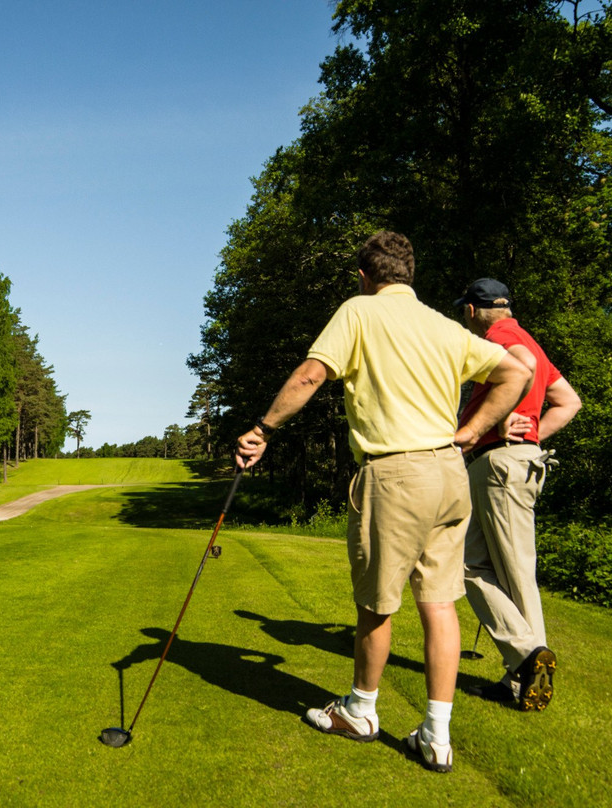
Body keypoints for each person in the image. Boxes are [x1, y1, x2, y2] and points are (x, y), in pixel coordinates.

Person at [235, 231, 531, 774]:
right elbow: (518, 370)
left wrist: (262, 427)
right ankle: (437, 735)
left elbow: (309, 375)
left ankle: (360, 711)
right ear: (409, 274)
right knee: (439, 602)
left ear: (364, 276)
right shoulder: (444, 325)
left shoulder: (359, 311)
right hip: (449, 472)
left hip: (395, 474)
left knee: (377, 602)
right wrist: (470, 432)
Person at [455, 278, 581, 711]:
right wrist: (534, 434)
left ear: (471, 310)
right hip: (513, 461)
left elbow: (521, 365)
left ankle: (526, 660)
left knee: (512, 572)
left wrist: (504, 423)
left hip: (499, 463)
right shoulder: (528, 338)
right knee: (471, 565)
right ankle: (521, 670)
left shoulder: (502, 337)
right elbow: (569, 401)